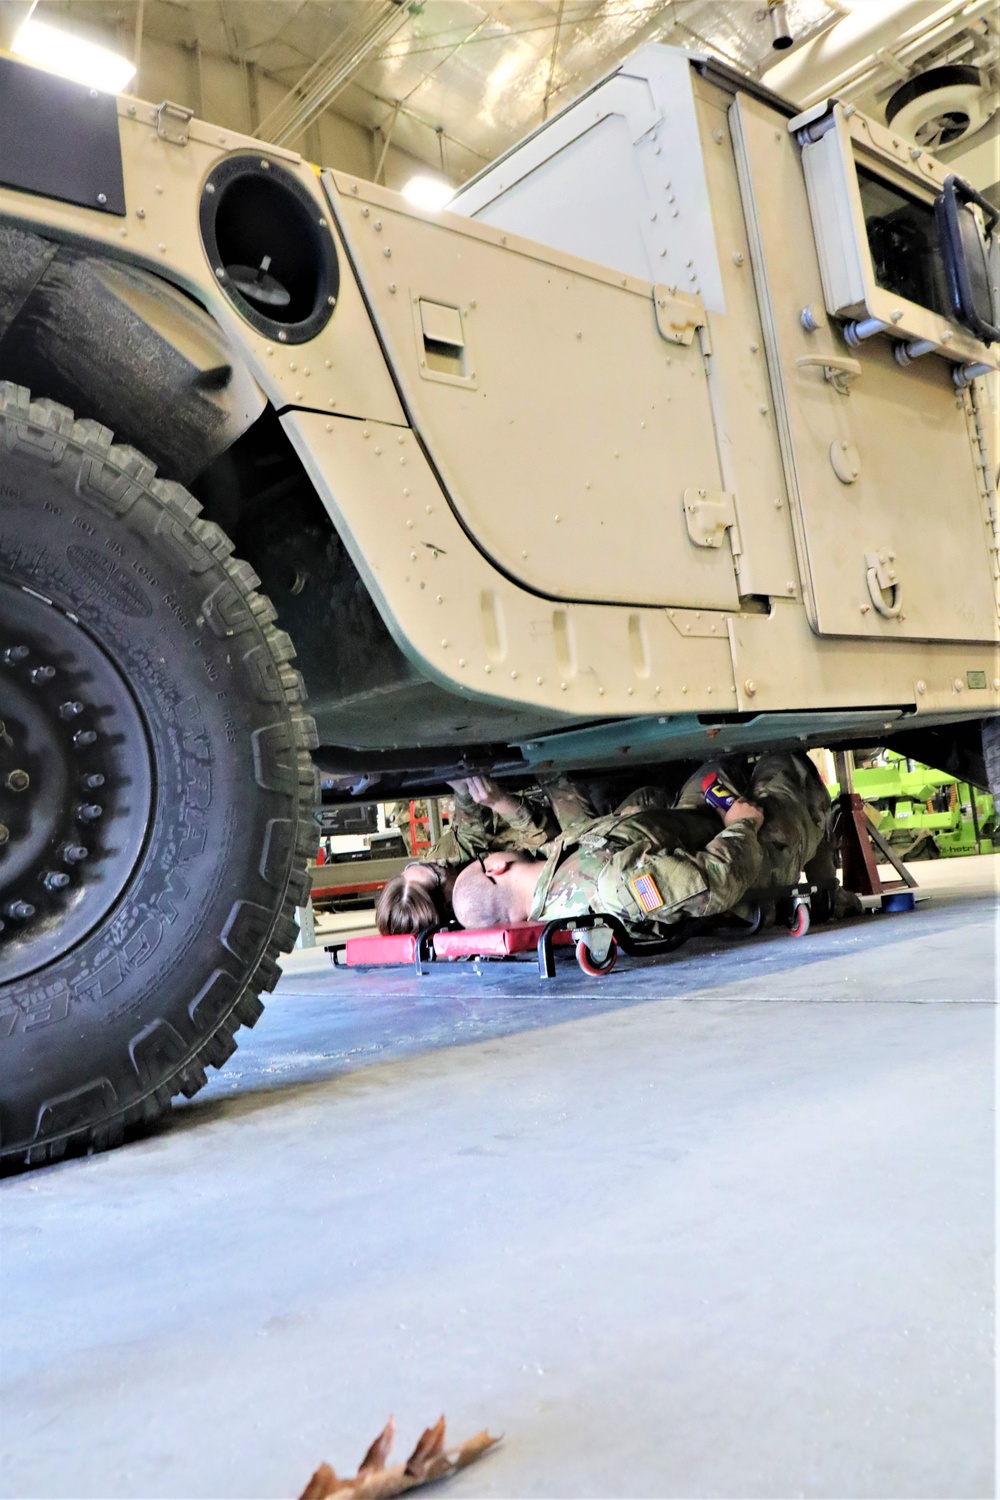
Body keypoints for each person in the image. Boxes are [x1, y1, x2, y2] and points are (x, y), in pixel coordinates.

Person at [451, 795, 765, 932]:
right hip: (752, 847)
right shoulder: (608, 886)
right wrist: (743, 825)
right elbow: (715, 882)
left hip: (703, 819)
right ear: (494, 869)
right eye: (482, 859)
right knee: (784, 765)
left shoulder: (556, 867)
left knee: (715, 767)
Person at [376, 775, 561, 934]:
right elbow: (551, 843)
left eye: (418, 865)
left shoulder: (435, 865)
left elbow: (466, 837)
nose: (440, 862)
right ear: (449, 903)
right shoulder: (486, 904)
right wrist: (503, 803)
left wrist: (464, 792)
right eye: (436, 872)